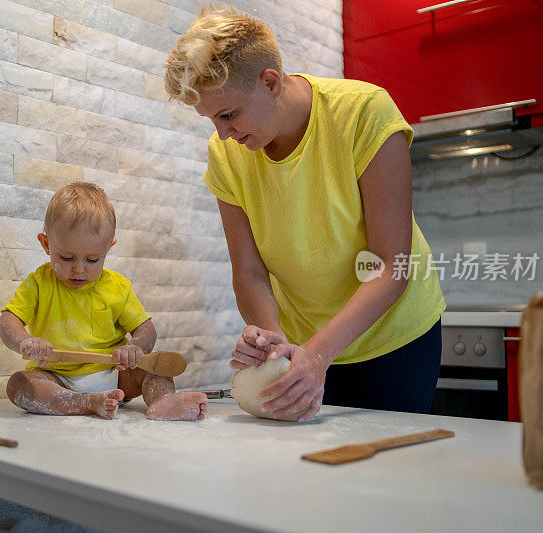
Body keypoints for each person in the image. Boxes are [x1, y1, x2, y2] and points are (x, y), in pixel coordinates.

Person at [164, 6, 446, 423]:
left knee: (387, 478)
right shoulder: (227, 153)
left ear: (271, 82)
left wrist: (317, 356)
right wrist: (272, 341)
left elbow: (390, 266)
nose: (222, 134)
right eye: (211, 120)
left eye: (228, 115)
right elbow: (249, 273)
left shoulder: (365, 113)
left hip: (394, 340)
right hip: (304, 346)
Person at [0, 182, 208, 420]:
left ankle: (163, 402)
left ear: (108, 248)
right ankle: (87, 402)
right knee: (19, 385)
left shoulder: (117, 287)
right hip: (56, 377)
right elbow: (8, 321)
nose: (78, 269)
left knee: (156, 369)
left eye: (92, 259)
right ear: (46, 244)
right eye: (67, 258)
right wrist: (25, 341)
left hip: (114, 373)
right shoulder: (39, 283)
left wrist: (135, 348)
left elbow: (146, 329)